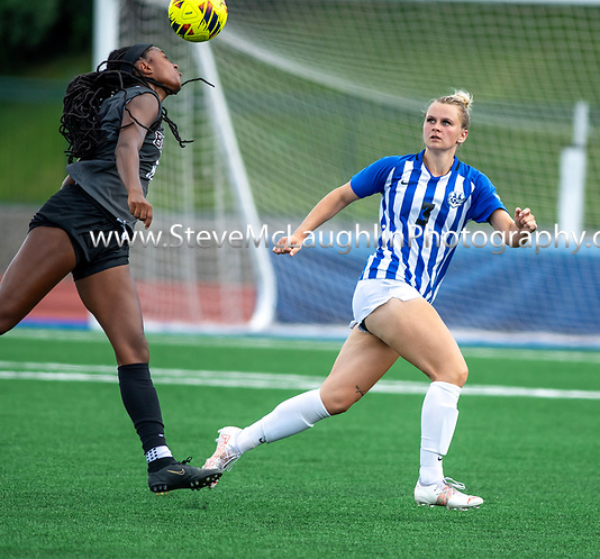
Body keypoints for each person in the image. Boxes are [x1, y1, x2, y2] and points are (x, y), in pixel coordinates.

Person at [202, 90, 537, 510]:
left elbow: (510, 235)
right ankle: (431, 483)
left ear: (462, 135)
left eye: (446, 122)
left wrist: (523, 230)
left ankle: (235, 442)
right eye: (431, 120)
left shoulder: (473, 184)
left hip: (402, 300)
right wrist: (301, 233)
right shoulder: (393, 169)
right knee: (452, 370)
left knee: (335, 398)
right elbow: (341, 195)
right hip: (385, 285)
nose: (436, 127)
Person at [0, 43, 222, 493]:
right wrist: (133, 193)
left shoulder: (134, 98)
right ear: (144, 68)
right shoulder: (143, 96)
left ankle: (161, 463)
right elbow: (126, 146)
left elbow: (84, 164)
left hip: (108, 234)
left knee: (133, 349)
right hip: (80, 219)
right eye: (164, 56)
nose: (175, 63)